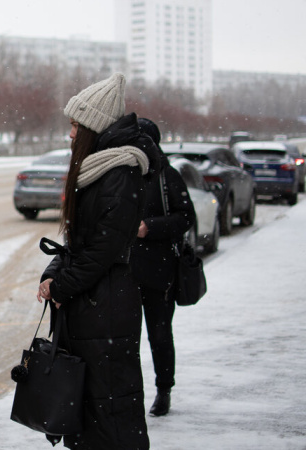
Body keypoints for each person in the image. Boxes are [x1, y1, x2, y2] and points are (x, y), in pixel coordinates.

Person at [36, 73, 160, 449]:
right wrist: (53, 272)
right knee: (89, 409)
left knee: (110, 413)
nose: (71, 134)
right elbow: (79, 244)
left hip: (106, 309)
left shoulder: (118, 174)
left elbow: (103, 252)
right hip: (94, 307)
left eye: (76, 125)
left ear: (93, 127)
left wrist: (62, 284)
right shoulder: (98, 170)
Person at [132, 118, 195, 417]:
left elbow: (186, 217)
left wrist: (151, 227)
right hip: (127, 271)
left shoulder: (167, 175)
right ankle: (130, 394)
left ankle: (163, 389)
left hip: (160, 271)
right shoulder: (124, 174)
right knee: (125, 339)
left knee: (159, 334)